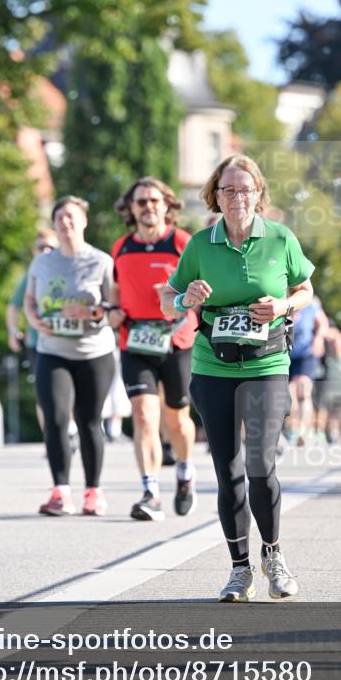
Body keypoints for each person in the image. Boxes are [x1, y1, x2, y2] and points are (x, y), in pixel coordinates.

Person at [161, 155, 315, 601]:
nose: (236, 197)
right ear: (215, 196)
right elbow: (170, 298)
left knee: (260, 466)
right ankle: (239, 569)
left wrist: (284, 306)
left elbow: (305, 289)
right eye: (227, 190)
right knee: (228, 471)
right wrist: (184, 298)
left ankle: (273, 555)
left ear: (258, 194)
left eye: (245, 189)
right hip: (212, 365)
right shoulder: (200, 245)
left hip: (267, 364)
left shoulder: (280, 238)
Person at [110, 177, 197, 521]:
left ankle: (186, 472)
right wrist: (112, 311)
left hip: (177, 340)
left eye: (154, 201)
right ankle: (151, 493)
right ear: (131, 208)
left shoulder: (181, 243)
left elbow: (202, 289)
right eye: (141, 201)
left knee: (176, 418)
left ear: (167, 205)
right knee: (145, 415)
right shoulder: (122, 247)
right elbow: (116, 290)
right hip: (136, 341)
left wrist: (179, 296)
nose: (148, 207)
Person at [24, 196, 116, 516]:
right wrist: (35, 320)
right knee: (56, 418)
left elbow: (114, 309)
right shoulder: (42, 263)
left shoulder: (101, 261)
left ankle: (93, 491)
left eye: (71, 217)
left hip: (94, 351)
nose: (65, 223)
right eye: (60, 218)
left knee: (90, 421)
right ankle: (60, 492)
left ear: (84, 222)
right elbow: (30, 300)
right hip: (53, 350)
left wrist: (90, 312)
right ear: (54, 225)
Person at [6, 229, 59, 433]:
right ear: (33, 250)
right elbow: (13, 305)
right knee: (43, 394)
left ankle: (69, 431)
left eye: (50, 247)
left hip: (66, 341)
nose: (46, 251)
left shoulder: (68, 268)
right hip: (37, 342)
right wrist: (13, 331)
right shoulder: (31, 274)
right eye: (41, 247)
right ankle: (51, 439)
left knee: (69, 392)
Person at [287, 296, 329, 444]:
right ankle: (295, 428)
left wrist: (318, 338)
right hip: (287, 353)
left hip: (307, 353)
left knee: (303, 390)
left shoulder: (311, 301)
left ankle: (304, 430)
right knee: (291, 392)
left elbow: (323, 324)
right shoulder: (280, 297)